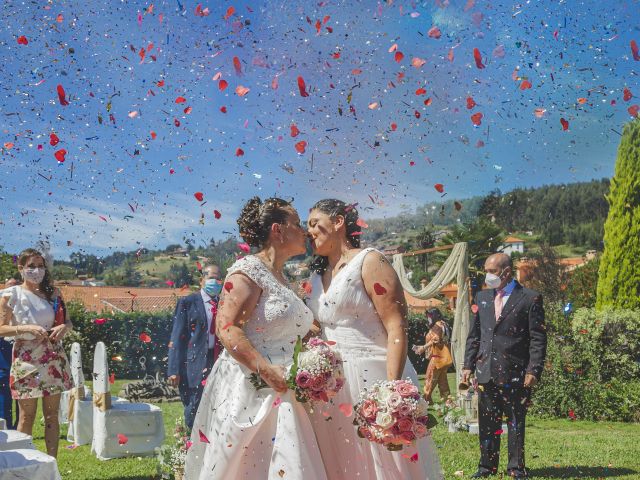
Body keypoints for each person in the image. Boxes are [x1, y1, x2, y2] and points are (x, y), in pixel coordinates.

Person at [184, 197, 327, 480]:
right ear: (278, 229)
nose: (305, 232)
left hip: (286, 389)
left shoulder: (281, 277)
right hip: (253, 387)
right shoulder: (247, 270)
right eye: (297, 224)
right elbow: (227, 328)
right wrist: (266, 370)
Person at [306, 199, 443, 480]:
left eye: (314, 224)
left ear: (338, 222)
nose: (310, 232)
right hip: (333, 384)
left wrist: (392, 392)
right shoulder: (317, 275)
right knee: (342, 461)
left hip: (373, 377)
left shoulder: (370, 261)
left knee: (385, 464)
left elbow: (396, 326)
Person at [462, 253, 547, 478]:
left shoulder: (530, 298)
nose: (488, 275)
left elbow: (538, 338)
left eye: (492, 271)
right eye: (486, 271)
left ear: (506, 272)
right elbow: (475, 335)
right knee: (487, 423)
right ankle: (486, 466)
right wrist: (467, 365)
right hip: (486, 371)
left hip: (516, 371)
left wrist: (534, 369)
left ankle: (516, 468)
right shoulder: (482, 297)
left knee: (516, 423)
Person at [0, 248, 73, 457]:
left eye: (40, 266)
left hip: (53, 359)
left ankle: (52, 465)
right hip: (26, 360)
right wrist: (25, 329)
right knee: (26, 416)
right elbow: (1, 328)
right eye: (31, 266)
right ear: (21, 268)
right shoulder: (10, 295)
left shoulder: (54, 294)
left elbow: (67, 321)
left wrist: (64, 328)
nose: (37, 270)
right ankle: (24, 464)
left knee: (51, 416)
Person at [167, 263, 223, 430]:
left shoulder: (223, 304)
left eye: (219, 278)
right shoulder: (188, 302)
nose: (216, 281)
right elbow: (176, 336)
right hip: (194, 364)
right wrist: (173, 370)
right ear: (202, 280)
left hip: (218, 362)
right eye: (212, 277)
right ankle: (191, 445)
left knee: (217, 407)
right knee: (194, 407)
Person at [414, 308, 452, 404]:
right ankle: (447, 399)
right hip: (443, 355)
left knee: (430, 376)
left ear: (436, 315)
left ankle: (426, 398)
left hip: (437, 356)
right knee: (442, 379)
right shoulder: (443, 323)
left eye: (430, 316)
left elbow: (436, 339)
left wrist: (423, 347)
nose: (428, 318)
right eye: (428, 316)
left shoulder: (438, 325)